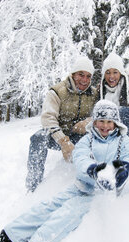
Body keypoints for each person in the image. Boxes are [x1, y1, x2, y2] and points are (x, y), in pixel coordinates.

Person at [0, 100, 129, 242]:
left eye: (109, 121)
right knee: (46, 207)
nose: (105, 125)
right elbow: (80, 157)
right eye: (101, 121)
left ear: (116, 123)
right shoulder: (87, 139)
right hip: (80, 186)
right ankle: (5, 240)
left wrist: (126, 168)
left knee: (65, 215)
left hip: (97, 194)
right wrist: (93, 169)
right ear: (94, 122)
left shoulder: (122, 141)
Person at [25, 56, 98, 192]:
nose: (84, 80)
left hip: (78, 136)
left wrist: (88, 122)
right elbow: (48, 118)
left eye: (88, 76)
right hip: (57, 136)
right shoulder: (57, 91)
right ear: (73, 74)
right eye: (81, 75)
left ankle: (88, 181)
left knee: (96, 140)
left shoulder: (93, 94)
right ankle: (33, 186)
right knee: (38, 138)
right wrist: (63, 141)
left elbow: (100, 115)